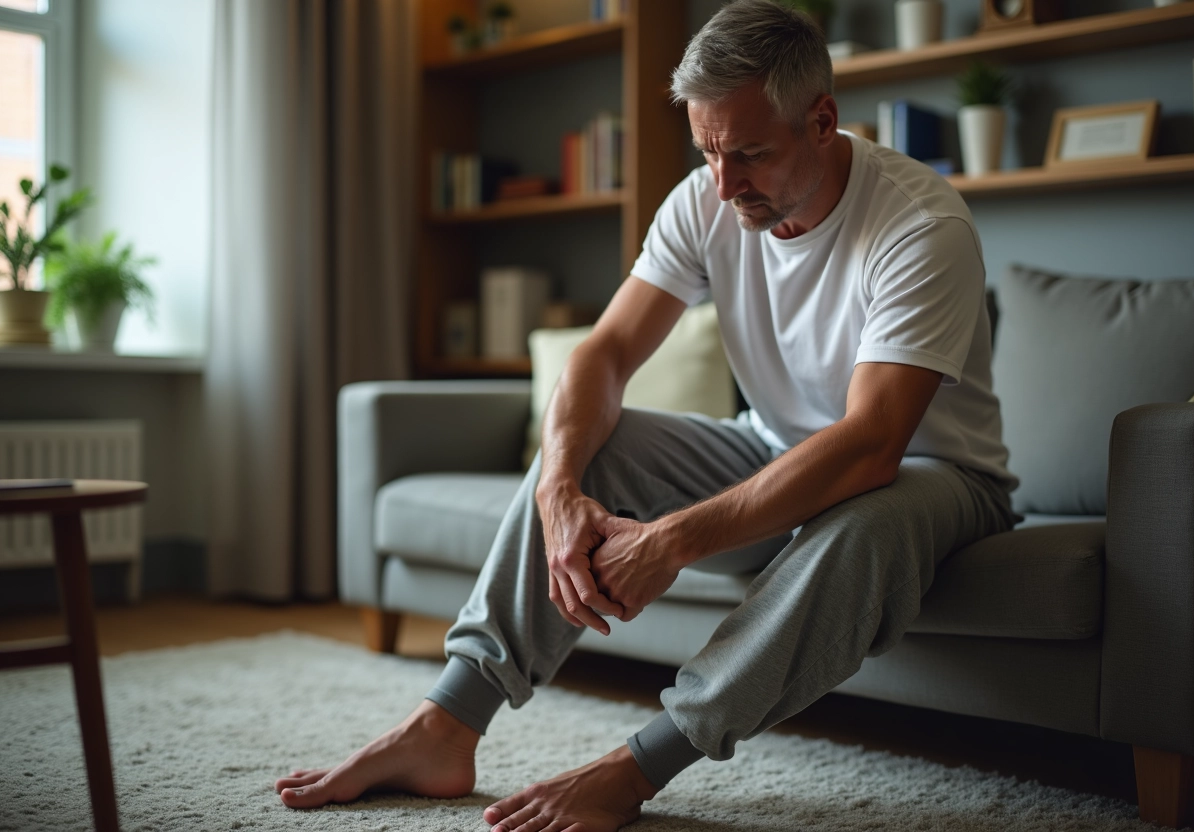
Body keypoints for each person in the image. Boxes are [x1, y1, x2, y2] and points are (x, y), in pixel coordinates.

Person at [274, 1, 1019, 829]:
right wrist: (558, 487)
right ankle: (445, 722)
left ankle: (638, 766)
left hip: (936, 477)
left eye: (750, 155)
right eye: (707, 150)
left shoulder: (919, 227)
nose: (726, 182)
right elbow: (602, 355)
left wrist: (672, 539)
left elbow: (872, 446)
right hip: (769, 449)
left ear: (822, 120)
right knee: (599, 442)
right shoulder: (707, 198)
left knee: (868, 519)